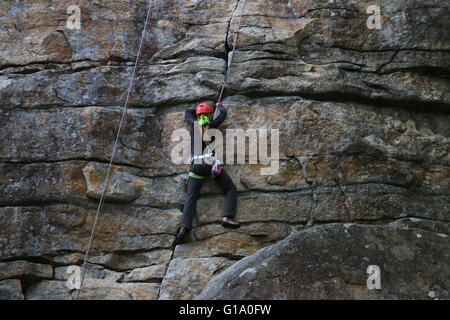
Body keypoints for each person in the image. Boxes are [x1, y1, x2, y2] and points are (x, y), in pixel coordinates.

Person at [174, 102, 240, 246]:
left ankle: (184, 227)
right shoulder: (214, 125)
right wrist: (218, 106)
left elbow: (188, 111)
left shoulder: (193, 124)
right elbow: (223, 113)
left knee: (191, 197)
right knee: (230, 189)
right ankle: (227, 217)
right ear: (210, 116)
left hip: (196, 166)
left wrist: (198, 112)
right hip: (210, 164)